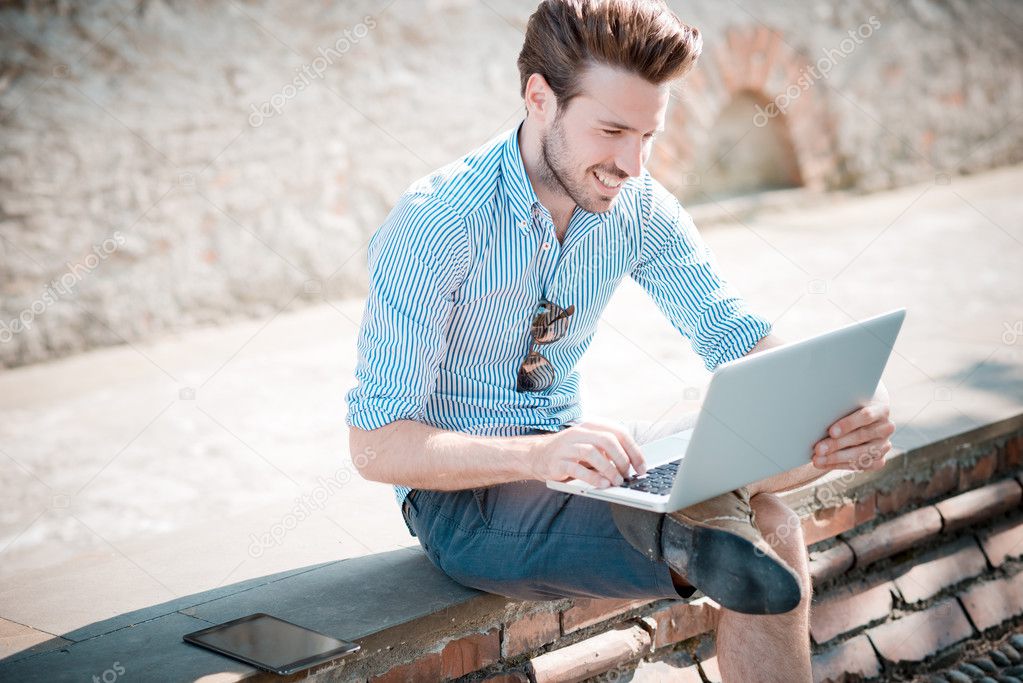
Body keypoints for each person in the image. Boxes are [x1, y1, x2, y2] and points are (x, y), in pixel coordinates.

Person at [345, 1, 895, 679]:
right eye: (610, 131)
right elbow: (374, 444)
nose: (631, 163)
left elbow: (734, 336)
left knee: (802, 443)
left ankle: (693, 517)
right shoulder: (436, 224)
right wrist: (538, 454)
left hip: (584, 467)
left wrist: (845, 402)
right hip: (463, 502)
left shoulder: (637, 207)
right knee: (771, 528)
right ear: (539, 99)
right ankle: (691, 524)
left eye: (648, 135)